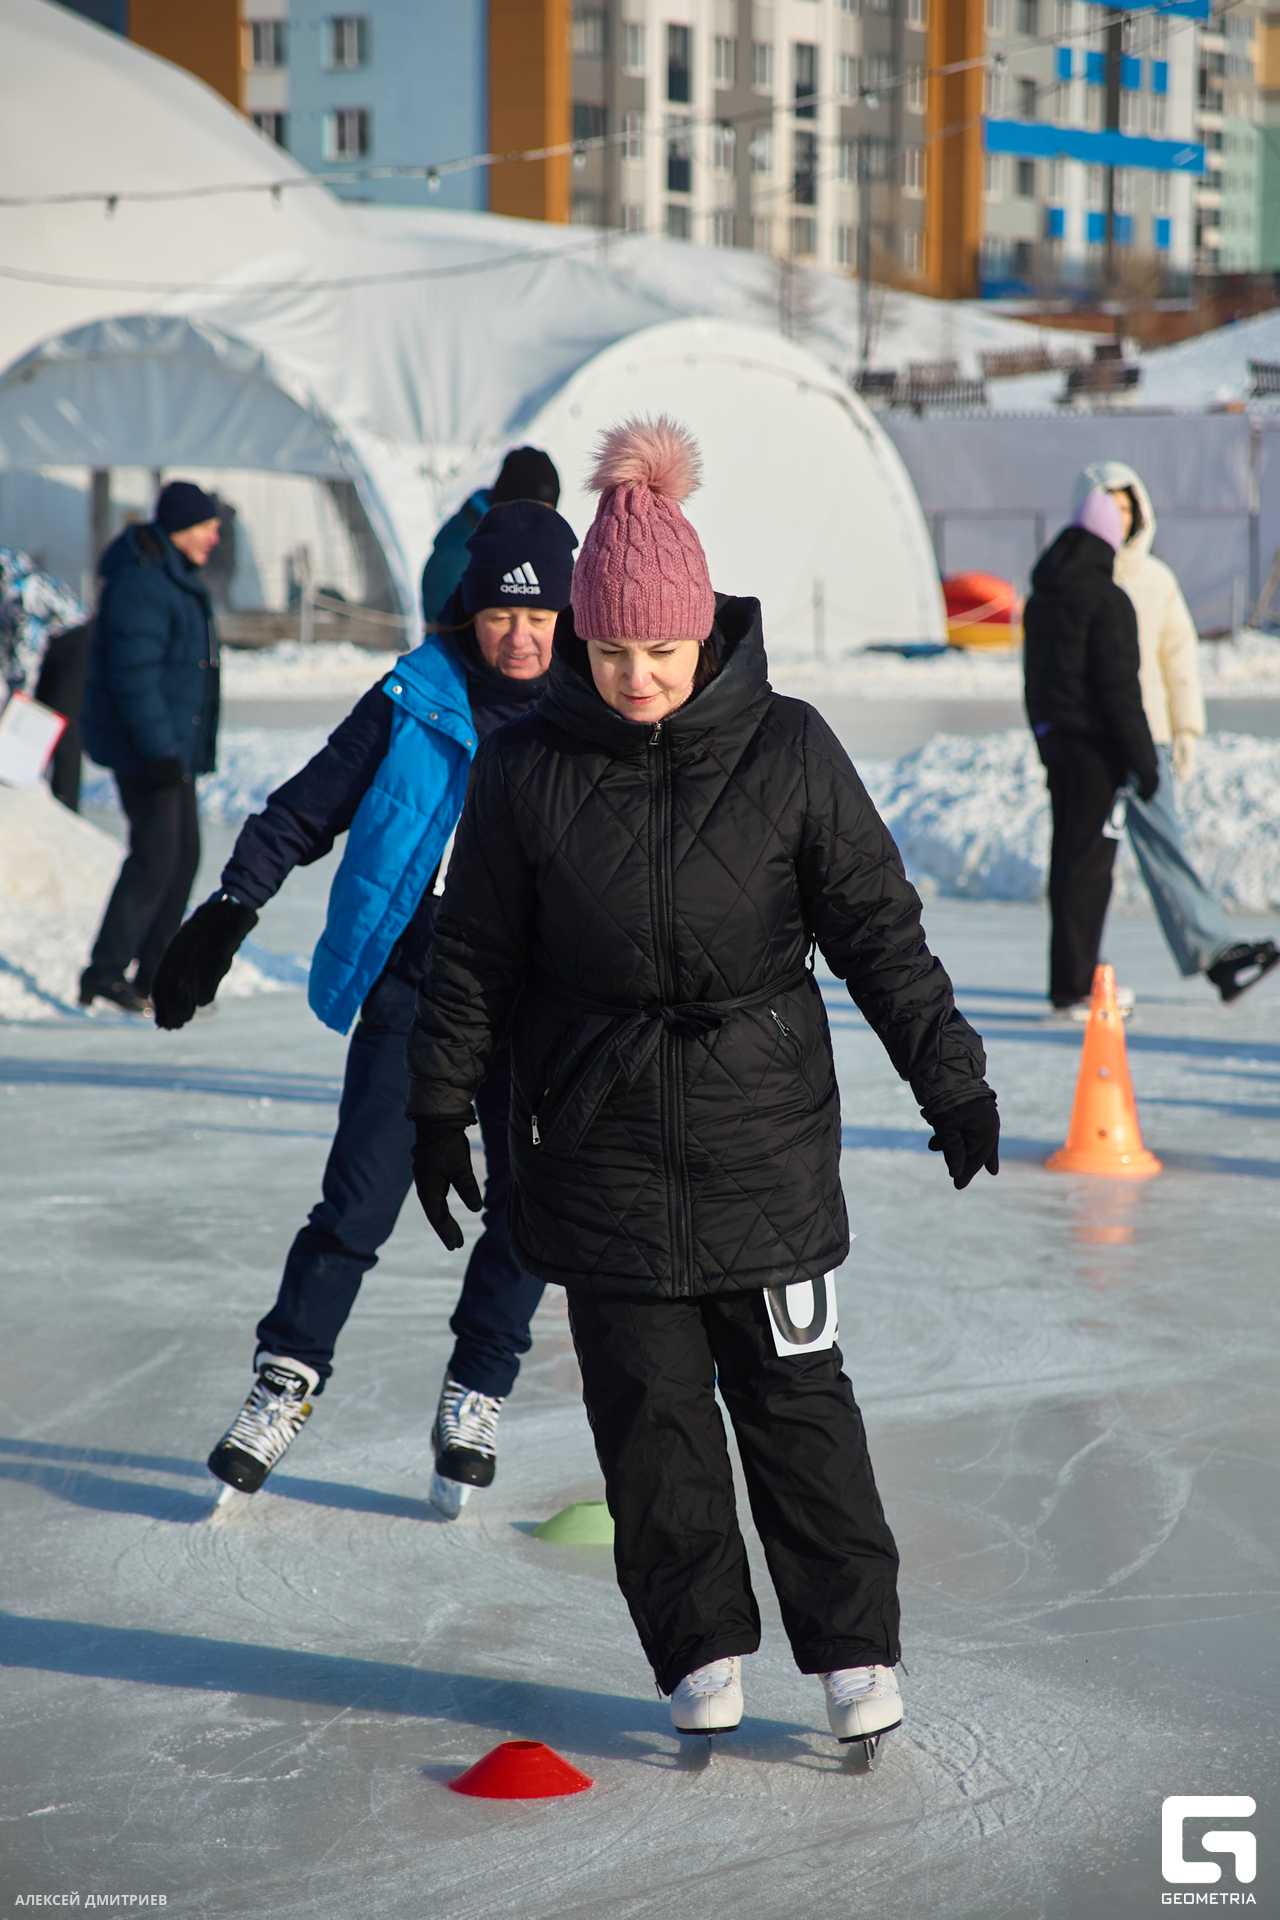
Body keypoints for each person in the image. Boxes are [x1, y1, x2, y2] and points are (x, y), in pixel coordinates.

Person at [405, 418, 999, 1747]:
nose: (636, 675)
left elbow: (878, 930)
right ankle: (699, 1651)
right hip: (597, 1141)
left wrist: (949, 1079)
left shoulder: (788, 749)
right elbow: (475, 956)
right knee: (648, 1422)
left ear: (703, 630)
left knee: (796, 1404)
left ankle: (852, 1649)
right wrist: (437, 1104)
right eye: (611, 649)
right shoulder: (526, 768)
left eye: (660, 649)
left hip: (760, 1139)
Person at [150, 502, 579, 1516]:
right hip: (417, 993)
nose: (519, 637)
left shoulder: (594, 713)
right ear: (468, 611)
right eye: (500, 616)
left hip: (538, 1008)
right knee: (355, 1205)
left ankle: (477, 1388)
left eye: (539, 617)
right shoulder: (412, 698)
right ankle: (283, 1382)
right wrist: (231, 905)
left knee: (532, 1208)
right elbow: (305, 808)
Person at [1072, 460, 1279, 1004]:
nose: (1120, 518)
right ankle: (1078, 971)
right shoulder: (1081, 577)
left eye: (1128, 508)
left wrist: (1186, 728)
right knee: (1086, 856)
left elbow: (1178, 658)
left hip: (1148, 736)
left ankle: (1212, 950)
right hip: (1093, 740)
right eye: (1110, 507)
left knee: (1163, 838)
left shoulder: (1155, 579)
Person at [79, 482, 223, 1014]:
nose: (214, 537)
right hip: (146, 749)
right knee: (156, 858)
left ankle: (154, 973)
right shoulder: (141, 581)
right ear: (180, 527)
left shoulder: (172, 574)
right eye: (206, 527)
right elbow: (133, 675)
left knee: (183, 856)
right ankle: (105, 974)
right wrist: (160, 749)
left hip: (170, 747)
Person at [1024, 489, 1160, 1016]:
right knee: (1089, 866)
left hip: (1058, 742)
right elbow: (1119, 689)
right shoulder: (1106, 599)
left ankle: (1070, 978)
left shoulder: (1044, 595)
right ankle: (1077, 985)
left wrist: (1044, 735)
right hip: (1096, 754)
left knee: (1068, 860)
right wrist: (1143, 761)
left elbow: (1034, 680)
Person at [421, 446, 561, 628]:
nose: (540, 523)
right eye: (531, 512)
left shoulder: (524, 546)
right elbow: (444, 634)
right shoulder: (459, 556)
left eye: (547, 514)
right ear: (506, 504)